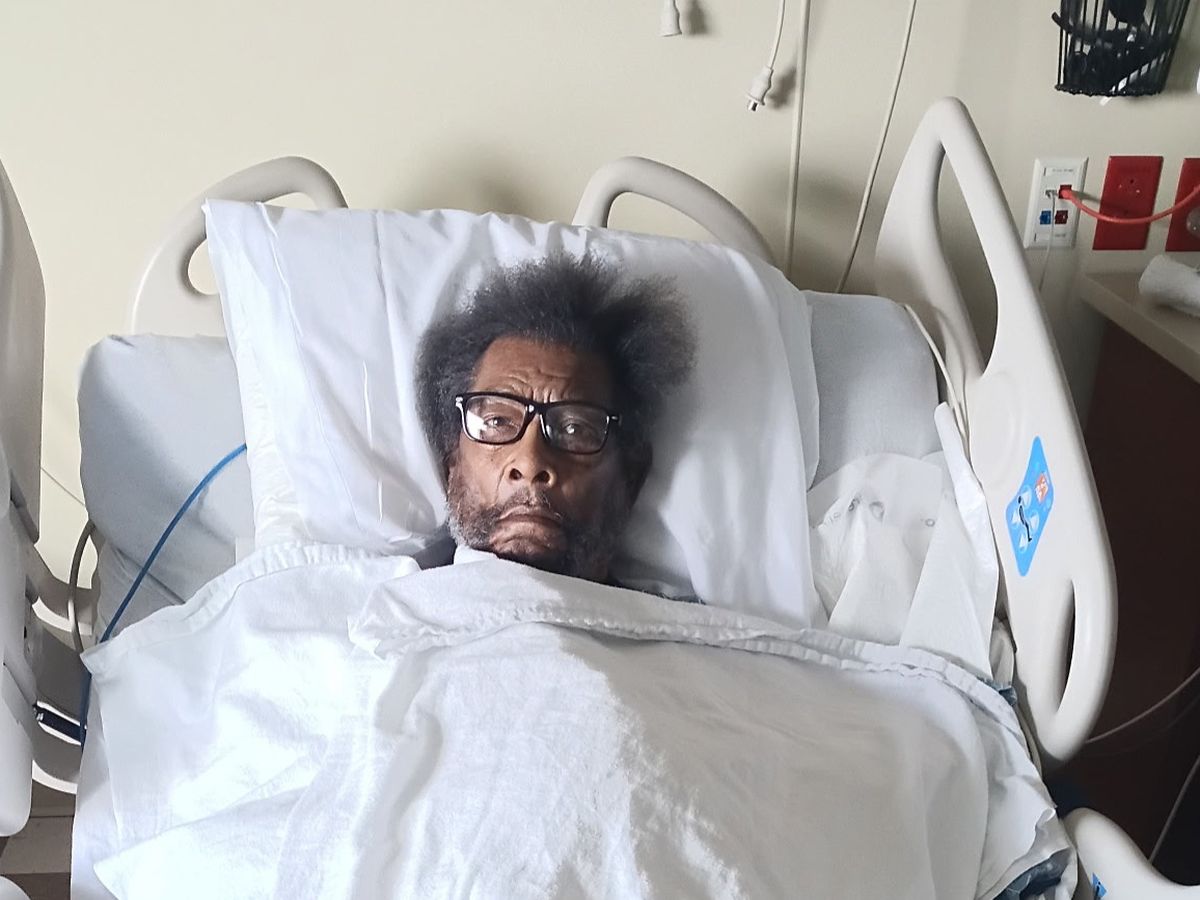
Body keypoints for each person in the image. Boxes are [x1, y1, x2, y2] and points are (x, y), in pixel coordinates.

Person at [416, 253, 694, 584]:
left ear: (630, 479)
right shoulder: (382, 608)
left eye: (574, 428)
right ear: (451, 463)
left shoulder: (684, 620)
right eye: (497, 422)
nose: (530, 462)